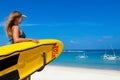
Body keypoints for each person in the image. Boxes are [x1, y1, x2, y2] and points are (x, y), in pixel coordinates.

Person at [5, 11, 39, 80]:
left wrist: (20, 15)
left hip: (19, 53)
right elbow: (16, 40)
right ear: (17, 19)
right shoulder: (15, 27)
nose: (22, 20)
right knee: (23, 73)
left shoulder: (14, 26)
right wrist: (30, 39)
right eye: (21, 18)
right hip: (18, 54)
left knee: (23, 73)